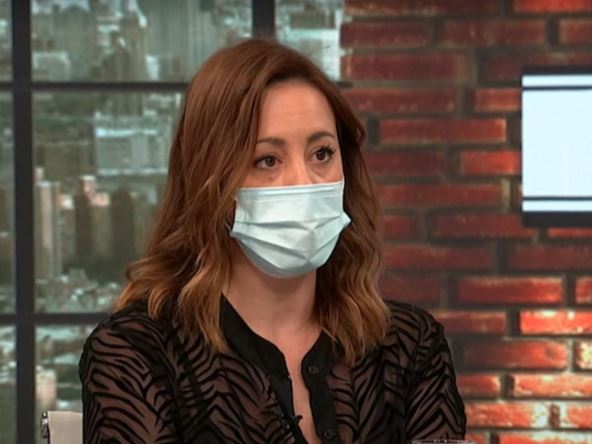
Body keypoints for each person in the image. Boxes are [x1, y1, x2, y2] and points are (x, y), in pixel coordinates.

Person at [79, 38, 466, 444]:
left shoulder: (411, 346)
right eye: (267, 160)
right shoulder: (135, 354)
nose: (303, 182)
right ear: (210, 181)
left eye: (321, 154)